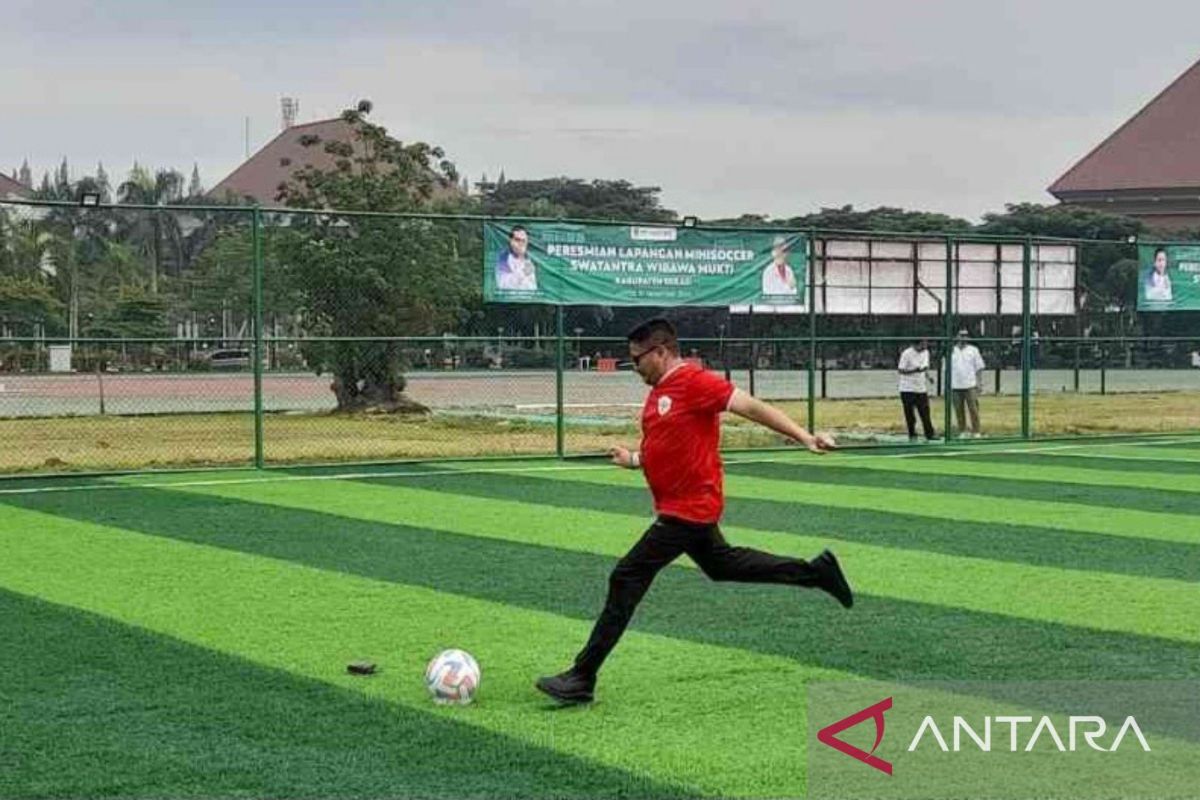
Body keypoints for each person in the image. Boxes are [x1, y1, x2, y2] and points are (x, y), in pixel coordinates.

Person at [535, 318, 853, 705]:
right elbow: (670, 443)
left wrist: (804, 436)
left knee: (627, 575)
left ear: (661, 352)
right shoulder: (659, 391)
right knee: (722, 565)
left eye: (637, 360)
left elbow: (750, 406)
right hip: (682, 507)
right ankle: (816, 572)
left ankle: (582, 677)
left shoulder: (696, 382)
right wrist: (634, 459)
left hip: (689, 509)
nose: (634, 368)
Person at [897, 338, 936, 441]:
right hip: (907, 388)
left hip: (921, 388)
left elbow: (925, 367)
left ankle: (930, 434)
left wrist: (928, 376)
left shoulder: (926, 353)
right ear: (917, 344)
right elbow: (901, 370)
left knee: (925, 412)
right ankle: (912, 434)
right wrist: (914, 371)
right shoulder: (907, 353)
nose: (926, 345)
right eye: (923, 343)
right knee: (910, 414)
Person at [950, 329, 986, 438]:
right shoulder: (951, 350)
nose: (964, 338)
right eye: (961, 335)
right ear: (957, 336)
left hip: (970, 385)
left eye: (966, 335)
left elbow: (979, 368)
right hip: (955, 385)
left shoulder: (973, 350)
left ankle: (976, 431)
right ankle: (962, 431)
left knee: (973, 409)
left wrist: (979, 383)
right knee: (958, 409)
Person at [496, 225, 537, 291]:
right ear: (510, 241)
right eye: (517, 240)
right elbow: (502, 285)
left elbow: (532, 287)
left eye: (523, 241)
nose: (521, 244)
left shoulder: (529, 262)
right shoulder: (503, 258)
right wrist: (523, 273)